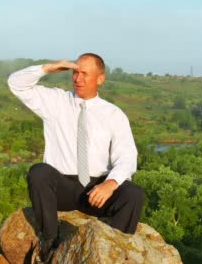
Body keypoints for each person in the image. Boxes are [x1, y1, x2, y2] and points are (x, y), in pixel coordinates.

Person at [8, 53, 144, 262]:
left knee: (133, 194)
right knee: (39, 172)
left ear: (100, 79)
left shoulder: (114, 114)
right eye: (75, 73)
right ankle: (50, 242)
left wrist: (110, 183)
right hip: (62, 187)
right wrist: (48, 68)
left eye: (85, 74)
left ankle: (111, 248)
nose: (78, 79)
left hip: (97, 190)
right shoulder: (55, 102)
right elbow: (16, 83)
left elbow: (127, 156)